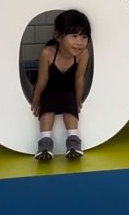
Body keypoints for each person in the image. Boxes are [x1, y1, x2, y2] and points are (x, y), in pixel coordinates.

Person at [30, 9, 91, 161]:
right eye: (74, 36)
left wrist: (78, 98)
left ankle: (73, 142)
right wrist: (36, 99)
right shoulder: (48, 53)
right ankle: (44, 143)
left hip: (68, 91)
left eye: (84, 37)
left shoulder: (83, 54)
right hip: (50, 90)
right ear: (58, 36)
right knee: (48, 103)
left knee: (70, 101)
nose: (79, 42)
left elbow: (79, 77)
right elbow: (42, 80)